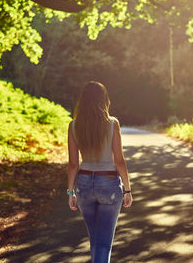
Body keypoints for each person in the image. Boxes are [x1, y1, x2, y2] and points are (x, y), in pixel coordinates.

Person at [67, 81, 133, 263]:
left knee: (95, 239)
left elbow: (73, 164)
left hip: (83, 186)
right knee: (103, 242)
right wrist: (127, 189)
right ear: (104, 100)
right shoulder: (113, 124)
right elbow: (119, 160)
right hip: (109, 185)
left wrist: (70, 192)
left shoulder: (73, 126)